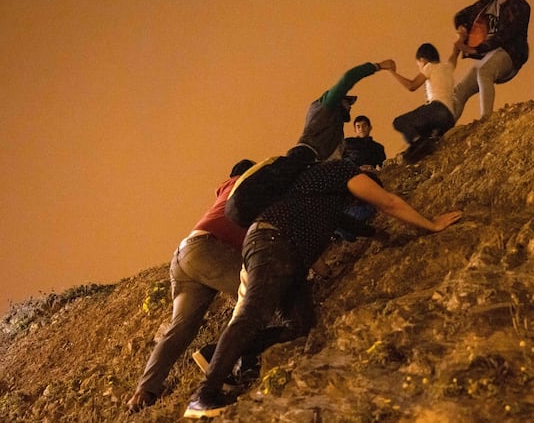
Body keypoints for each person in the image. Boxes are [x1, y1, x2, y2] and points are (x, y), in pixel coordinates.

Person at [183, 160, 463, 418]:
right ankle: (204, 395)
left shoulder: (322, 198)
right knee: (253, 314)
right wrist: (430, 225)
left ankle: (219, 353)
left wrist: (379, 234)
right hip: (272, 242)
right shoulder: (342, 171)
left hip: (286, 253)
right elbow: (389, 203)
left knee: (300, 326)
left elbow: (352, 226)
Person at [127, 159, 256, 413]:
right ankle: (231, 361)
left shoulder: (222, 194)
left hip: (184, 254)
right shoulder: (246, 185)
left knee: (181, 327)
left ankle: (145, 390)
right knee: (255, 299)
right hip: (208, 249)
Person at [451, 0, 530, 122]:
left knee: (484, 71)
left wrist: (476, 49)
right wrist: (461, 27)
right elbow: (463, 14)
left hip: (510, 54)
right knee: (460, 90)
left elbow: (504, 35)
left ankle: (485, 120)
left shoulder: (519, 6)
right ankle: (439, 133)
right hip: (489, 54)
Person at [292, 60, 395, 164]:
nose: (349, 107)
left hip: (318, 163)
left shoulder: (335, 123)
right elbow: (348, 78)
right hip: (305, 156)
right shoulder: (327, 106)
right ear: (339, 100)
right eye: (347, 102)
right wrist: (378, 66)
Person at [390, 42, 460, 163]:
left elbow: (412, 86)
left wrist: (392, 72)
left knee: (400, 122)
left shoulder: (430, 67)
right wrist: (460, 41)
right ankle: (421, 148)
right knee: (413, 152)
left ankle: (418, 142)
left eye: (419, 65)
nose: (420, 68)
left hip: (437, 109)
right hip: (449, 118)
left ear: (423, 60)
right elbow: (455, 54)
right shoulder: (447, 67)